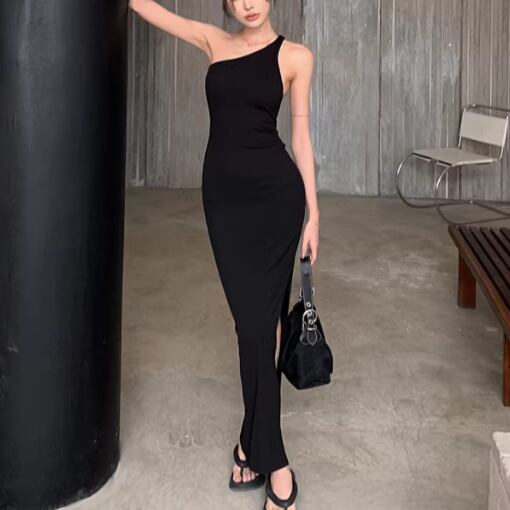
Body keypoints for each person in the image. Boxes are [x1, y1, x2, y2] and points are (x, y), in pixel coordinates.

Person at [129, 1, 319, 508]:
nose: (247, 3)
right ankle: (253, 445)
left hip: (277, 201)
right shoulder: (213, 40)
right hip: (225, 203)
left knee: (263, 329)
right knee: (253, 328)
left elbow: (301, 139)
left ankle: (267, 457)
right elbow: (145, 7)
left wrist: (315, 215)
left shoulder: (296, 57)